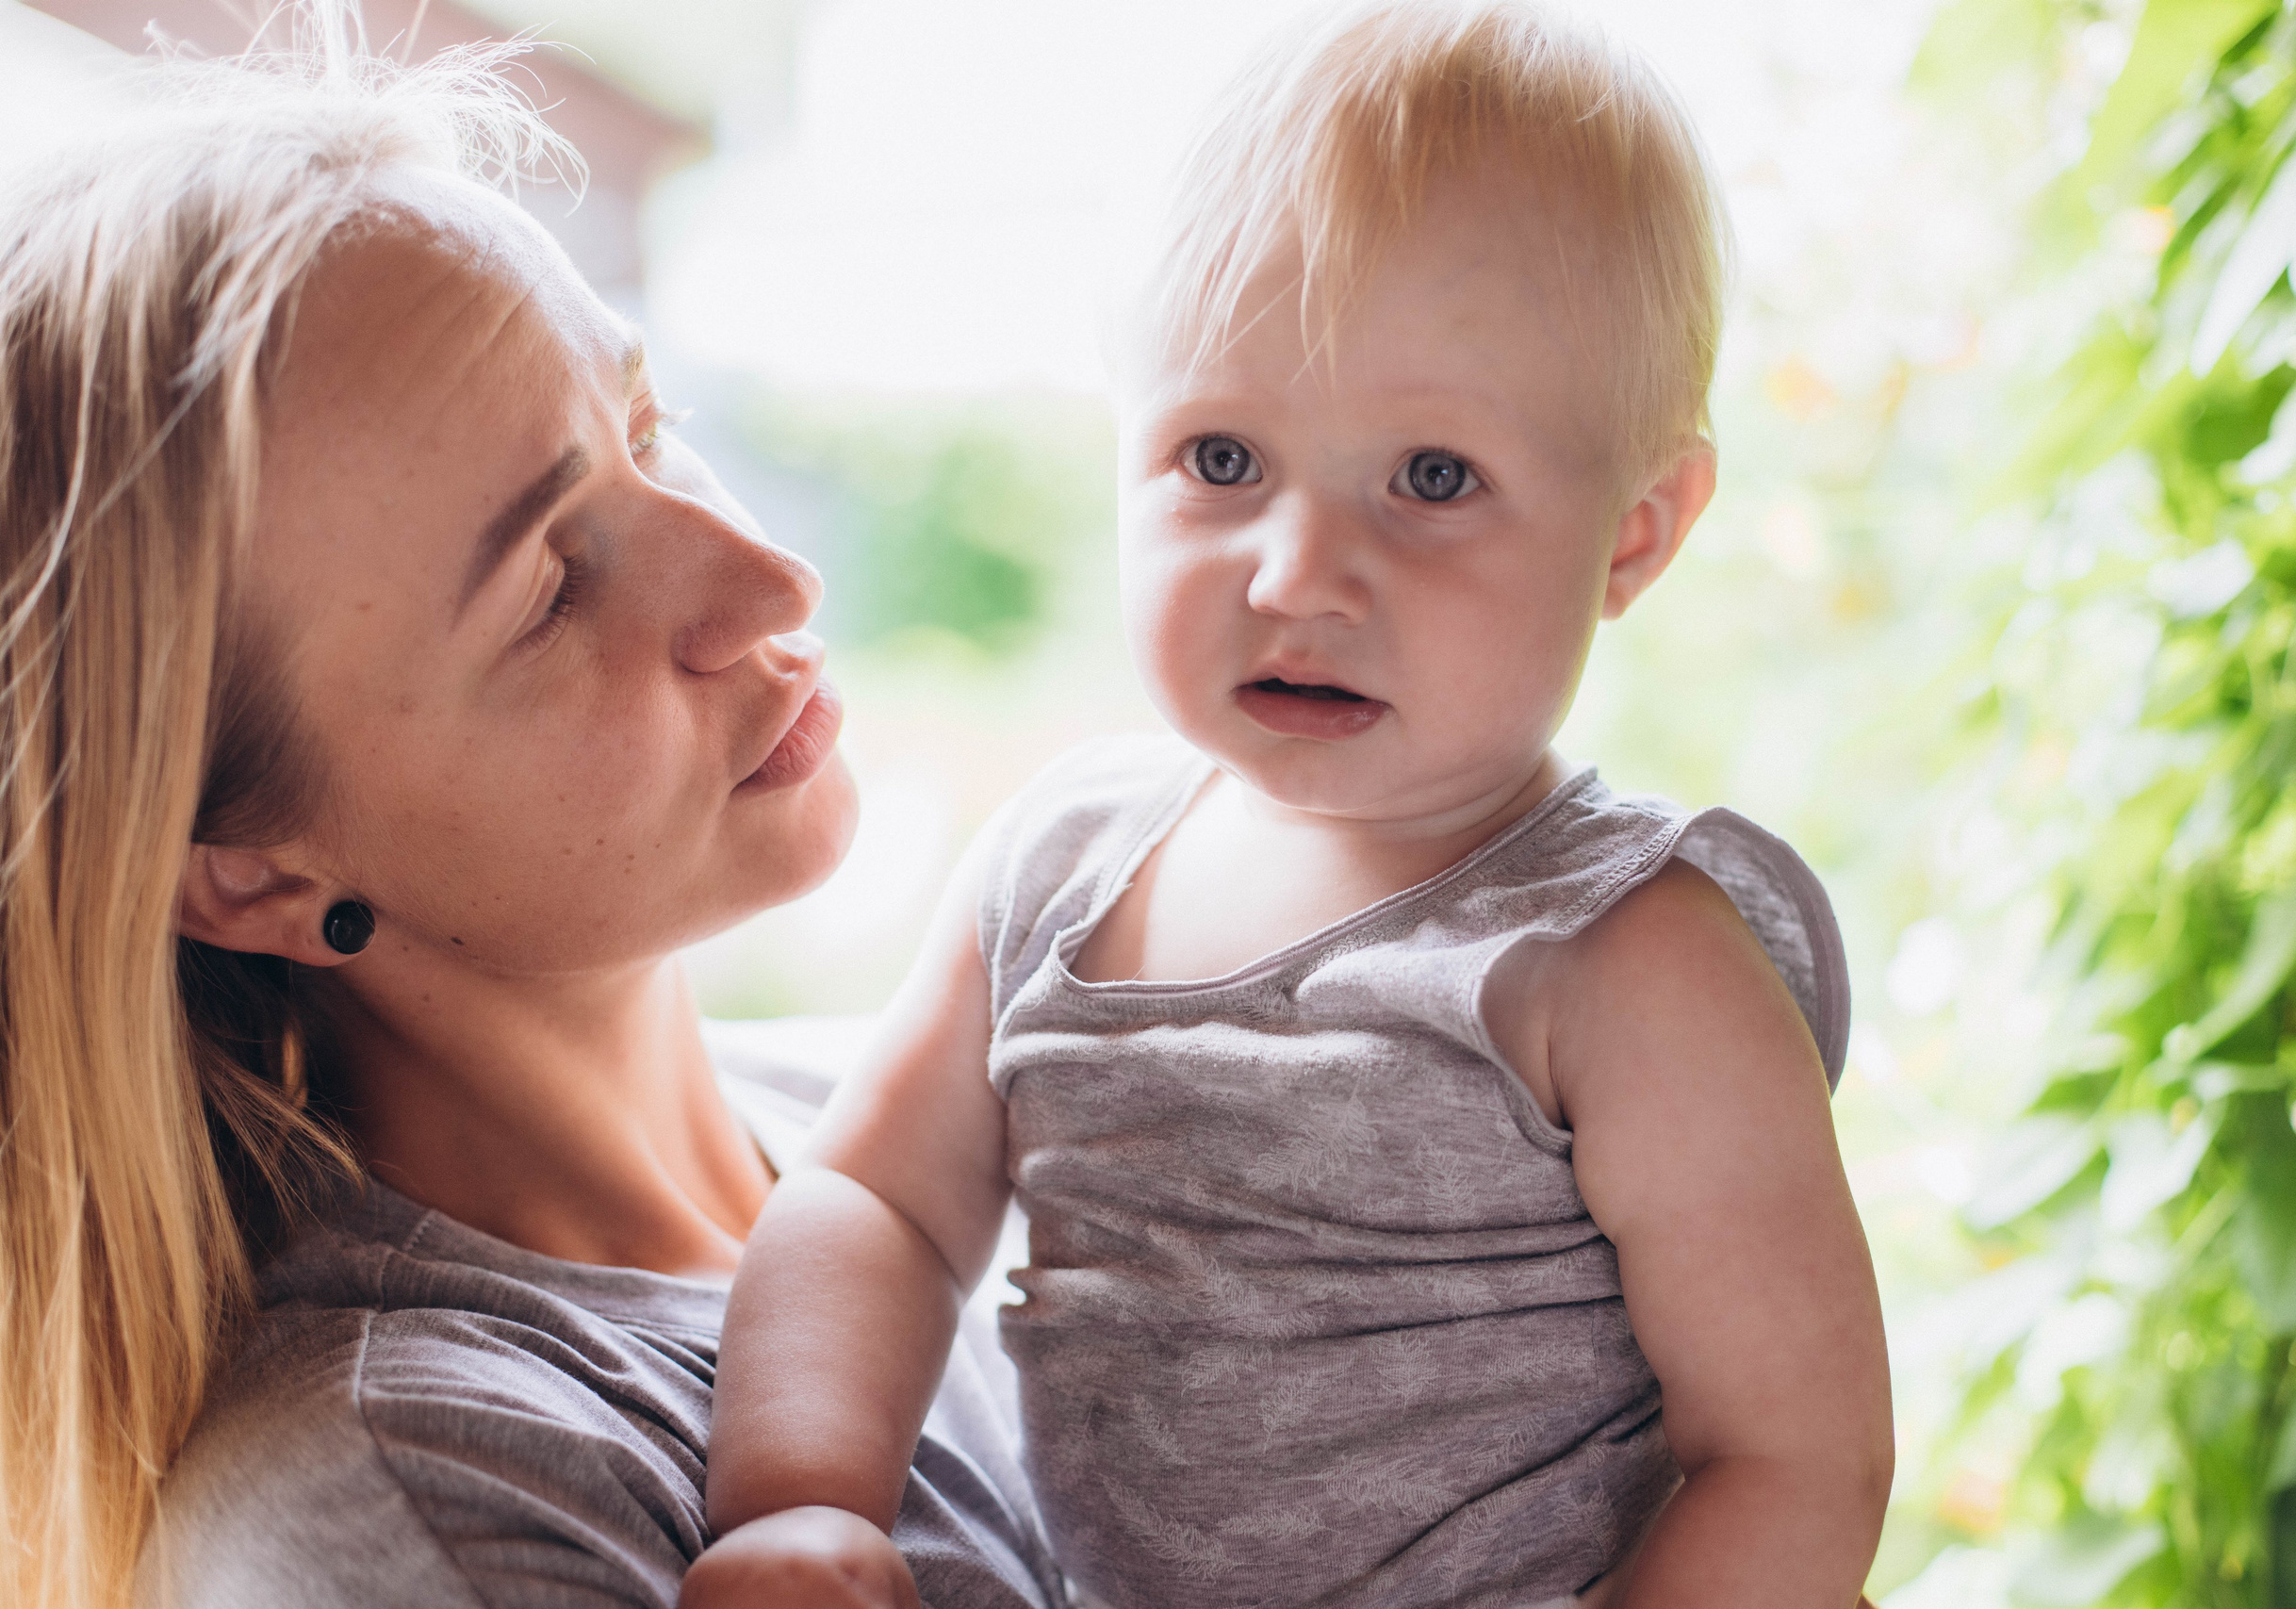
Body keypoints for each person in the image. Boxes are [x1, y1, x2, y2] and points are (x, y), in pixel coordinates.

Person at [696, 3, 1894, 1606]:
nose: (1297, 573)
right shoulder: (1058, 875)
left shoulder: (1623, 958)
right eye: (1220, 458)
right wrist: (797, 1501)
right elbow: (877, 1203)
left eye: (1432, 478)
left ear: (1634, 533)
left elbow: (1796, 1457)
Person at [0, 20, 1058, 1609]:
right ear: (250, 874)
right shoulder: (419, 1507)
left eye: (650, 430)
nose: (773, 582)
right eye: (551, 593)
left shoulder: (951, 1120)